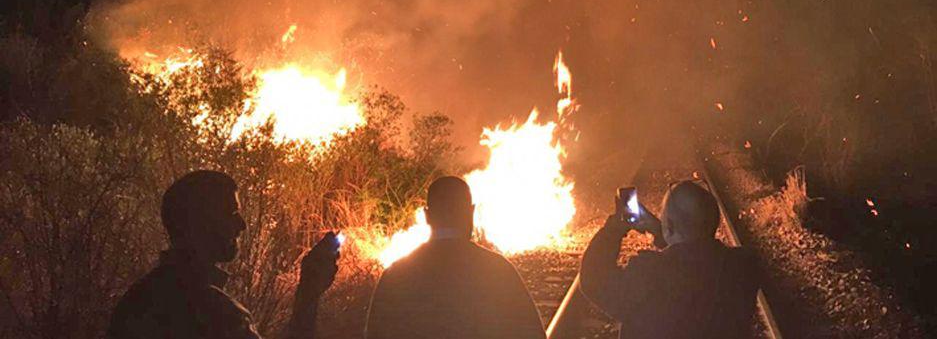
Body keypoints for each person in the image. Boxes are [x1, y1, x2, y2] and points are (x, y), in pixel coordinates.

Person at [107, 170, 339, 339]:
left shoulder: (136, 301)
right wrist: (308, 296)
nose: (242, 225)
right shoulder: (215, 312)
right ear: (198, 222)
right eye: (231, 213)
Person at [365, 176, 546, 339]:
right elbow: (531, 332)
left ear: (427, 216)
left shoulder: (396, 274)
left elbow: (376, 333)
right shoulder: (499, 270)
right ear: (471, 212)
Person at [580, 180, 760, 339]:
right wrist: (663, 231)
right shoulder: (743, 266)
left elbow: (593, 280)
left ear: (671, 227)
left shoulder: (649, 273)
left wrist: (614, 229)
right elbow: (695, 255)